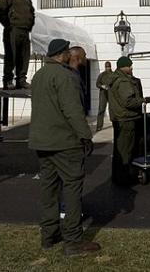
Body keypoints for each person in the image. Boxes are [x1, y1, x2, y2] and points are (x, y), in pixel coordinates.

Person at [28, 38, 101, 256]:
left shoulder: (39, 75)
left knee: (48, 189)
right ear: (62, 54)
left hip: (42, 141)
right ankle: (73, 241)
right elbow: (72, 111)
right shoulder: (66, 76)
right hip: (64, 142)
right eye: (68, 51)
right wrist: (86, 136)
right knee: (71, 189)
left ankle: (48, 236)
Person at [107, 55, 145, 186]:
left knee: (119, 150)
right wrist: (143, 100)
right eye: (129, 66)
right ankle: (124, 179)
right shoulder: (123, 81)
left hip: (120, 117)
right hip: (126, 118)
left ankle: (118, 177)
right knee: (126, 150)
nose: (131, 68)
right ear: (124, 67)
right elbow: (128, 101)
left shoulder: (115, 78)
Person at [0, 0, 35, 90]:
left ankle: (21, 80)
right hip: (13, 30)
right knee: (11, 55)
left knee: (23, 56)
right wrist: (7, 23)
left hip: (25, 31)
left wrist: (30, 24)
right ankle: (8, 80)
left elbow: (32, 12)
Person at [95, 61, 115, 132]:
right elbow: (97, 84)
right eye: (106, 67)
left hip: (111, 93)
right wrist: (102, 86)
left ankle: (114, 124)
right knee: (101, 110)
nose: (108, 68)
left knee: (112, 109)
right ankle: (99, 126)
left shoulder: (113, 75)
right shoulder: (102, 75)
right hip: (103, 93)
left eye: (109, 67)